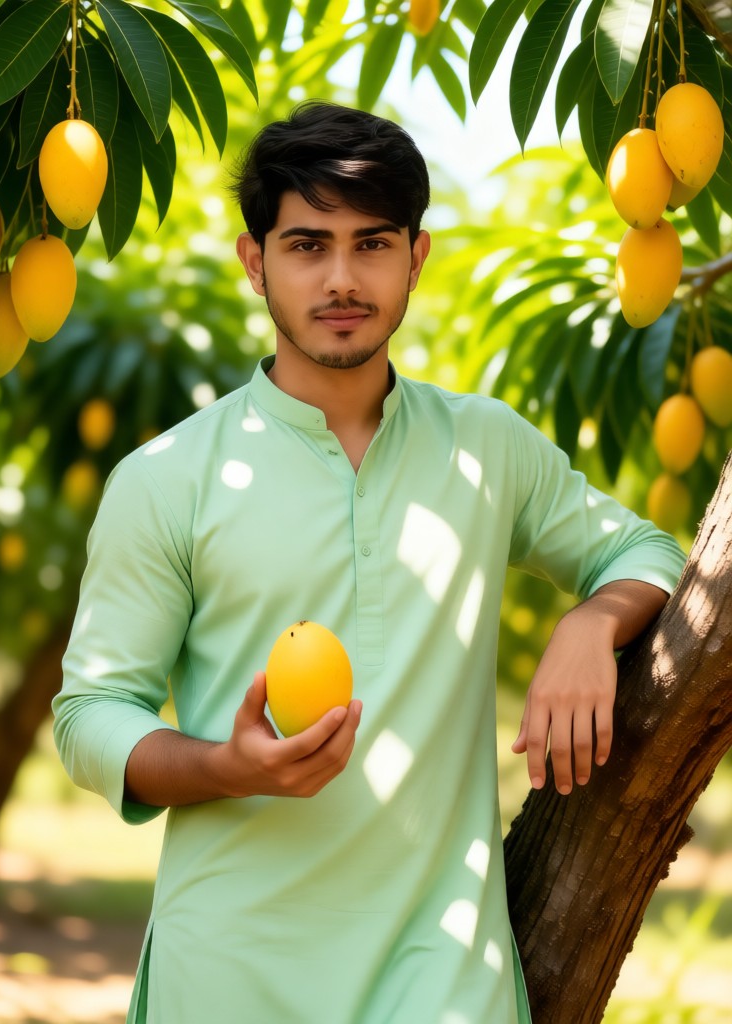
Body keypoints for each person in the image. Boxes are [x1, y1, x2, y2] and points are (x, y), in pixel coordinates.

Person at [53, 101, 686, 1024]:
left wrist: (594, 620)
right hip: (227, 974)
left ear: (416, 257)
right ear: (253, 260)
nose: (342, 279)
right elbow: (91, 713)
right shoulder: (167, 478)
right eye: (307, 245)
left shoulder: (487, 447)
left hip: (442, 977)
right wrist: (230, 767)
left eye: (373, 243)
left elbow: (647, 550)